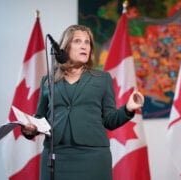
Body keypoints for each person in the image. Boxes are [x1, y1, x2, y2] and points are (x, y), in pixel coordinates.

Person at [21, 24, 144, 180]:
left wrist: (128, 108)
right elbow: (40, 117)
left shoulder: (102, 79)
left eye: (87, 42)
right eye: (78, 41)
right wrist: (30, 129)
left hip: (93, 158)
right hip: (56, 157)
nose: (84, 46)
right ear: (65, 47)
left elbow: (110, 120)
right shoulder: (48, 80)